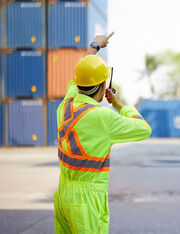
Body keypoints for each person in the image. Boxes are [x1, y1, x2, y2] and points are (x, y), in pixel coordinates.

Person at [53, 32, 152, 233]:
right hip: (86, 202)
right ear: (103, 85)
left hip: (63, 194)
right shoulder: (103, 118)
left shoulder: (67, 104)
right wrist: (120, 105)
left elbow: (81, 71)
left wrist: (95, 46)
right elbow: (144, 129)